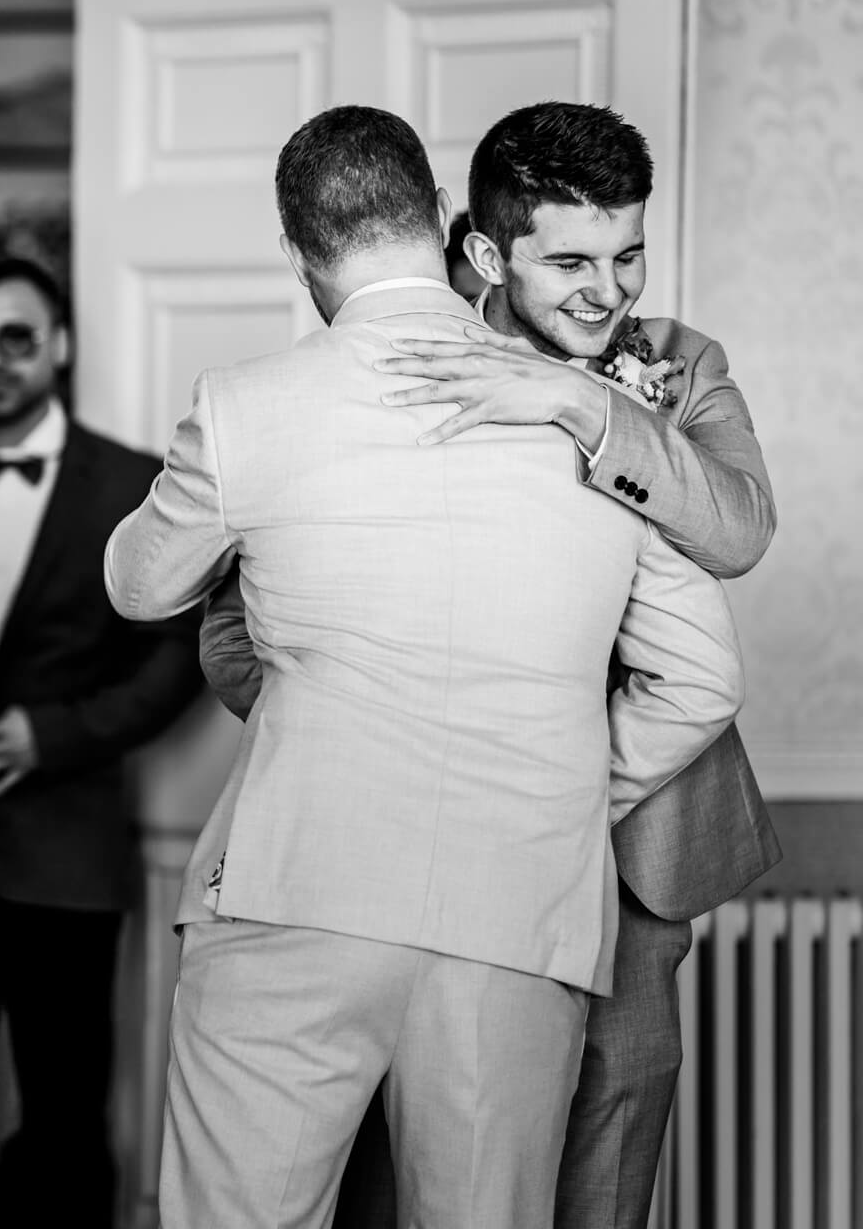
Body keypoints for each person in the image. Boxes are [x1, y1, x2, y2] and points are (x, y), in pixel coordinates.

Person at [107, 105, 745, 1229]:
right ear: (450, 224)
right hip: (524, 904)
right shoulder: (590, 422)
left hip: (298, 891)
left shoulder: (245, 405)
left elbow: (141, 584)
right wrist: (558, 795)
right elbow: (699, 676)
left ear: (300, 253)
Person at [319, 100, 775, 1229]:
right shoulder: (409, 363)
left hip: (636, 844)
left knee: (610, 1141)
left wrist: (581, 402)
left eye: (627, 255)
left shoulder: (677, 363)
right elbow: (243, 626)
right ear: (484, 251)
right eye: (570, 258)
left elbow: (739, 526)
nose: (607, 290)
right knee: (421, 1157)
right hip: (438, 837)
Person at [0, 254, 202, 1228]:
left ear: (58, 345)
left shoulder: (136, 482)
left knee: (66, 1109)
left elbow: (178, 651)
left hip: (66, 846)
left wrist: (54, 733)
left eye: (17, 336)